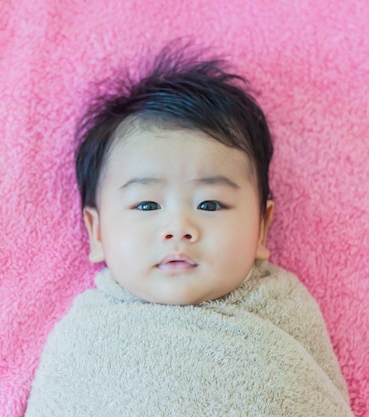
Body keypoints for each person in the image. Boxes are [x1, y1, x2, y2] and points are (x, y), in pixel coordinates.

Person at [24, 44, 353, 416]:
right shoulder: (85, 335)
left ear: (261, 228)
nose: (179, 228)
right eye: (147, 205)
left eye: (209, 205)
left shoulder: (284, 306)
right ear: (97, 232)